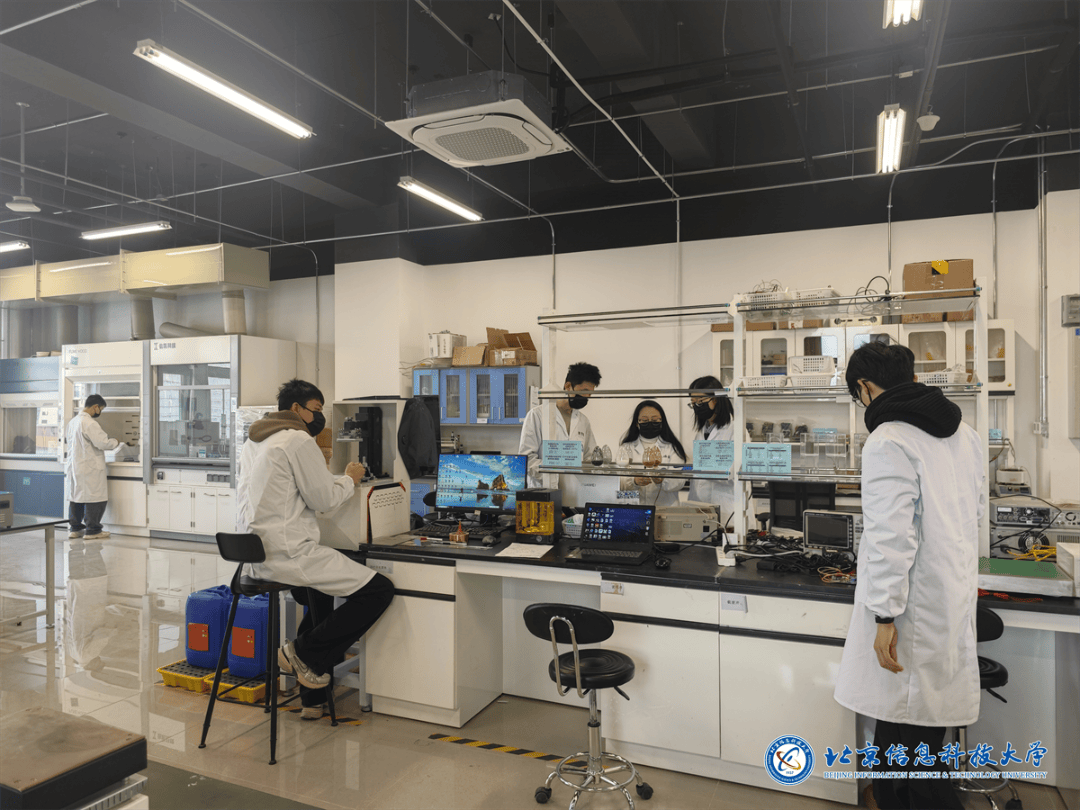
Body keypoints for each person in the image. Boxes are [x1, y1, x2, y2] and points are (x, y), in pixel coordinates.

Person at [833, 343, 983, 810]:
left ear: (864, 387)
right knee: (911, 727)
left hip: (910, 608)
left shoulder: (888, 440)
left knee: (912, 742)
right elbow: (974, 515)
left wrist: (884, 615)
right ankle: (892, 798)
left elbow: (889, 538)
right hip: (949, 596)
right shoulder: (966, 435)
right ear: (911, 377)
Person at [236, 379, 395, 721]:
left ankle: (313, 696)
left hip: (255, 558)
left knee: (319, 596)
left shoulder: (255, 440)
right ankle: (302, 652)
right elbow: (323, 500)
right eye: (317, 410)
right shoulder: (296, 439)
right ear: (296, 409)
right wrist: (350, 478)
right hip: (288, 554)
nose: (319, 417)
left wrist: (326, 474)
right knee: (378, 590)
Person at [518, 362, 601, 490]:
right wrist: (554, 473)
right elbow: (526, 459)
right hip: (544, 490)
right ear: (568, 386)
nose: (587, 397)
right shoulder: (537, 415)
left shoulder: (583, 421)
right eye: (584, 391)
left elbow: (589, 458)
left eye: (590, 393)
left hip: (575, 492)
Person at [686, 376, 743, 528]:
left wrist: (699, 467)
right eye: (693, 403)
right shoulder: (701, 431)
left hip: (727, 509)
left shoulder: (735, 430)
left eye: (700, 401)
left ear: (716, 399)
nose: (697, 407)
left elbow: (730, 471)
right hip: (700, 505)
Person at [65, 394, 124, 540]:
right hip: (89, 468)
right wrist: (115, 441)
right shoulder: (89, 423)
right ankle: (93, 530)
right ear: (95, 407)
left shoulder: (73, 422)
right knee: (95, 498)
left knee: (76, 497)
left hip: (75, 467)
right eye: (101, 409)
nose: (100, 412)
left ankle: (75, 529)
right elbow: (103, 443)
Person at [617, 401, 687, 508]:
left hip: (665, 509)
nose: (650, 423)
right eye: (645, 420)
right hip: (635, 508)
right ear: (637, 423)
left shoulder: (672, 448)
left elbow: (680, 481)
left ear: (662, 422)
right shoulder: (626, 448)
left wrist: (663, 480)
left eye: (655, 420)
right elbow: (616, 480)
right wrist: (634, 481)